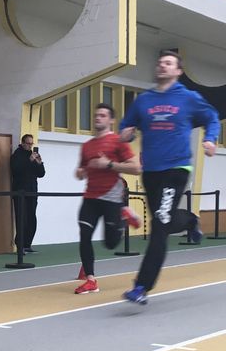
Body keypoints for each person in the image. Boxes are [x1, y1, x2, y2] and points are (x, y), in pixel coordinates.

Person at [119, 50, 220, 305]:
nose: (163, 66)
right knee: (163, 222)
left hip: (176, 169)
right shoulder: (144, 100)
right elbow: (126, 127)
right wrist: (127, 133)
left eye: (169, 63)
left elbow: (211, 117)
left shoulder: (188, 98)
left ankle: (141, 286)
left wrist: (209, 139)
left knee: (159, 227)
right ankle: (189, 221)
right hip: (151, 171)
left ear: (178, 71)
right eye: (160, 62)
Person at [74, 103, 141, 295]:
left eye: (103, 115)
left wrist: (109, 164)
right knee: (84, 236)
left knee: (110, 244)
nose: (98, 118)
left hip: (112, 198)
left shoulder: (118, 142)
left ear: (111, 120)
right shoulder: (87, 146)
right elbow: (80, 172)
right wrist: (80, 172)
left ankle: (123, 214)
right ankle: (91, 280)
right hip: (90, 197)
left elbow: (136, 168)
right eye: (96, 115)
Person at [10, 134, 45, 253]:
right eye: (28, 143)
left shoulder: (34, 156)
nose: (30, 146)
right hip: (20, 191)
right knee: (22, 218)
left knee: (31, 218)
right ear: (23, 143)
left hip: (32, 191)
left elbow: (41, 174)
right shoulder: (17, 155)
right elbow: (16, 170)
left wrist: (39, 163)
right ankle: (19, 245)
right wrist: (29, 161)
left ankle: (27, 244)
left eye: (32, 144)